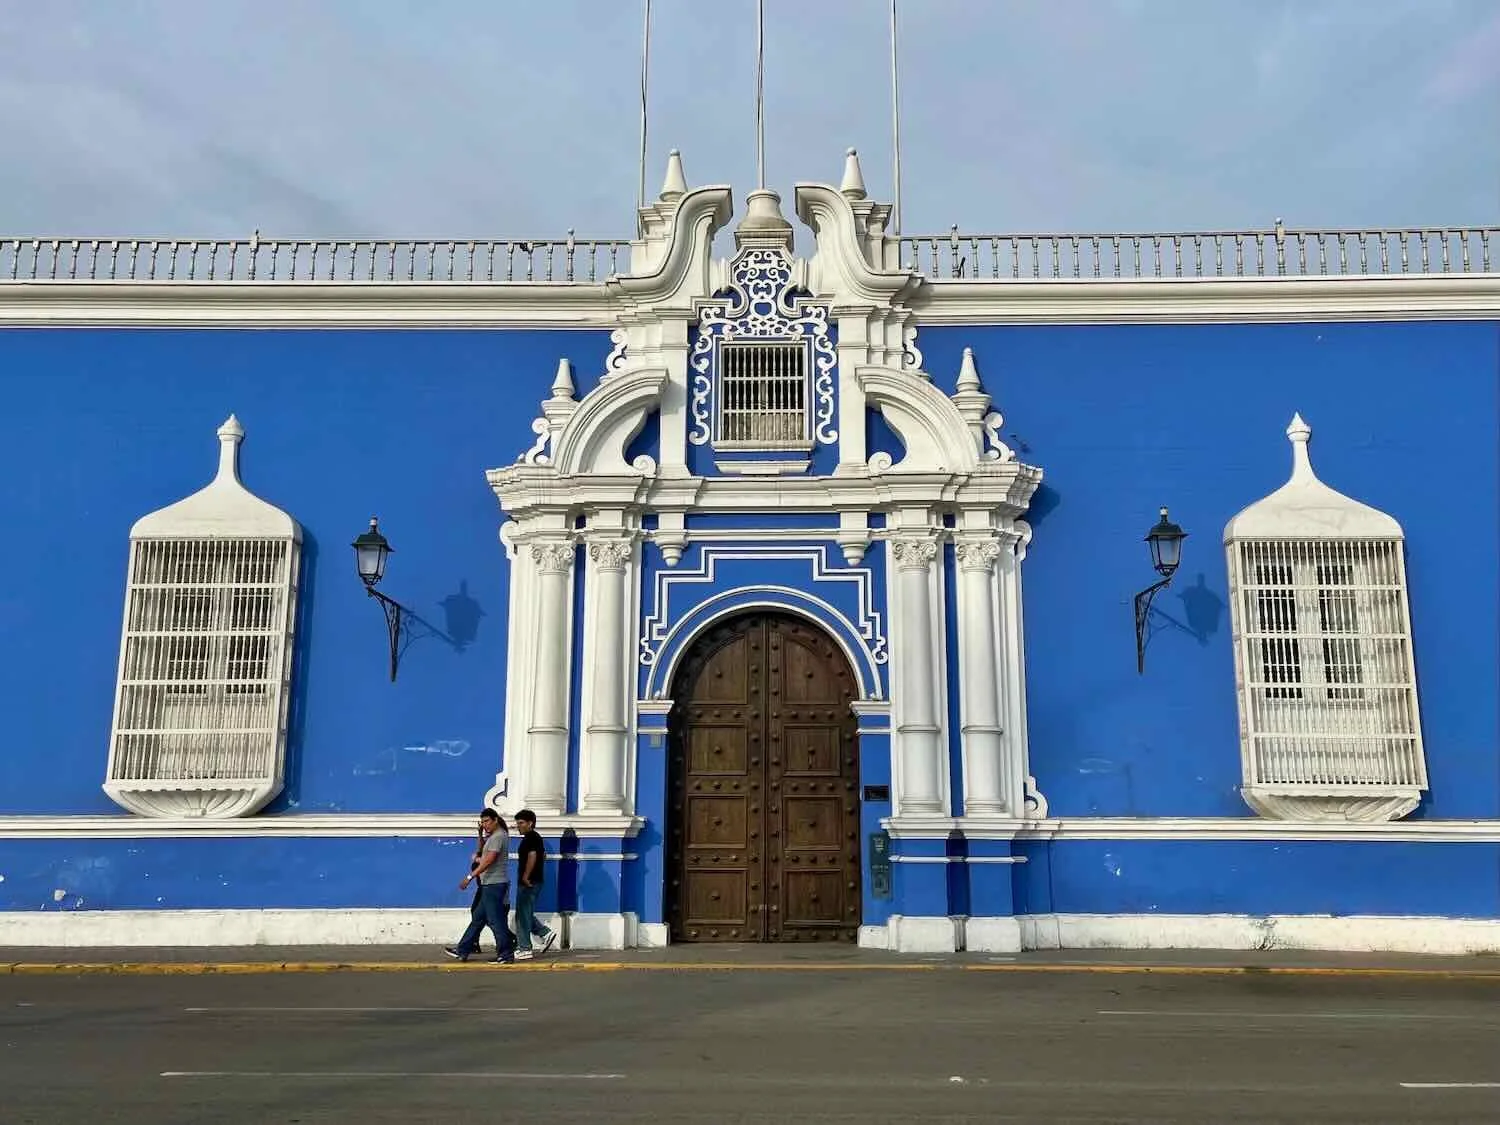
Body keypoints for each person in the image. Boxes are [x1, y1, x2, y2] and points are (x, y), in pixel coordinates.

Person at [445, 808, 515, 964]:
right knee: (478, 918)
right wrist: (480, 835)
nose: (485, 825)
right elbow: (483, 851)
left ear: (495, 819)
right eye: (482, 822)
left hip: (494, 884)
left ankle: (506, 954)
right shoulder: (493, 836)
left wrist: (470, 876)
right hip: (488, 883)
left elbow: (489, 859)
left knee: (495, 920)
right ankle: (462, 950)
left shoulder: (498, 836)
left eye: (487, 821)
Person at [512, 809, 558, 960]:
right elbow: (541, 856)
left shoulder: (531, 837)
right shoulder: (534, 838)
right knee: (524, 913)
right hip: (534, 880)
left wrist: (526, 876)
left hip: (529, 882)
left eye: (521, 823)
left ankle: (525, 948)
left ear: (530, 823)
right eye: (517, 823)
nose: (518, 826)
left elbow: (533, 856)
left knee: (523, 916)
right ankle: (545, 933)